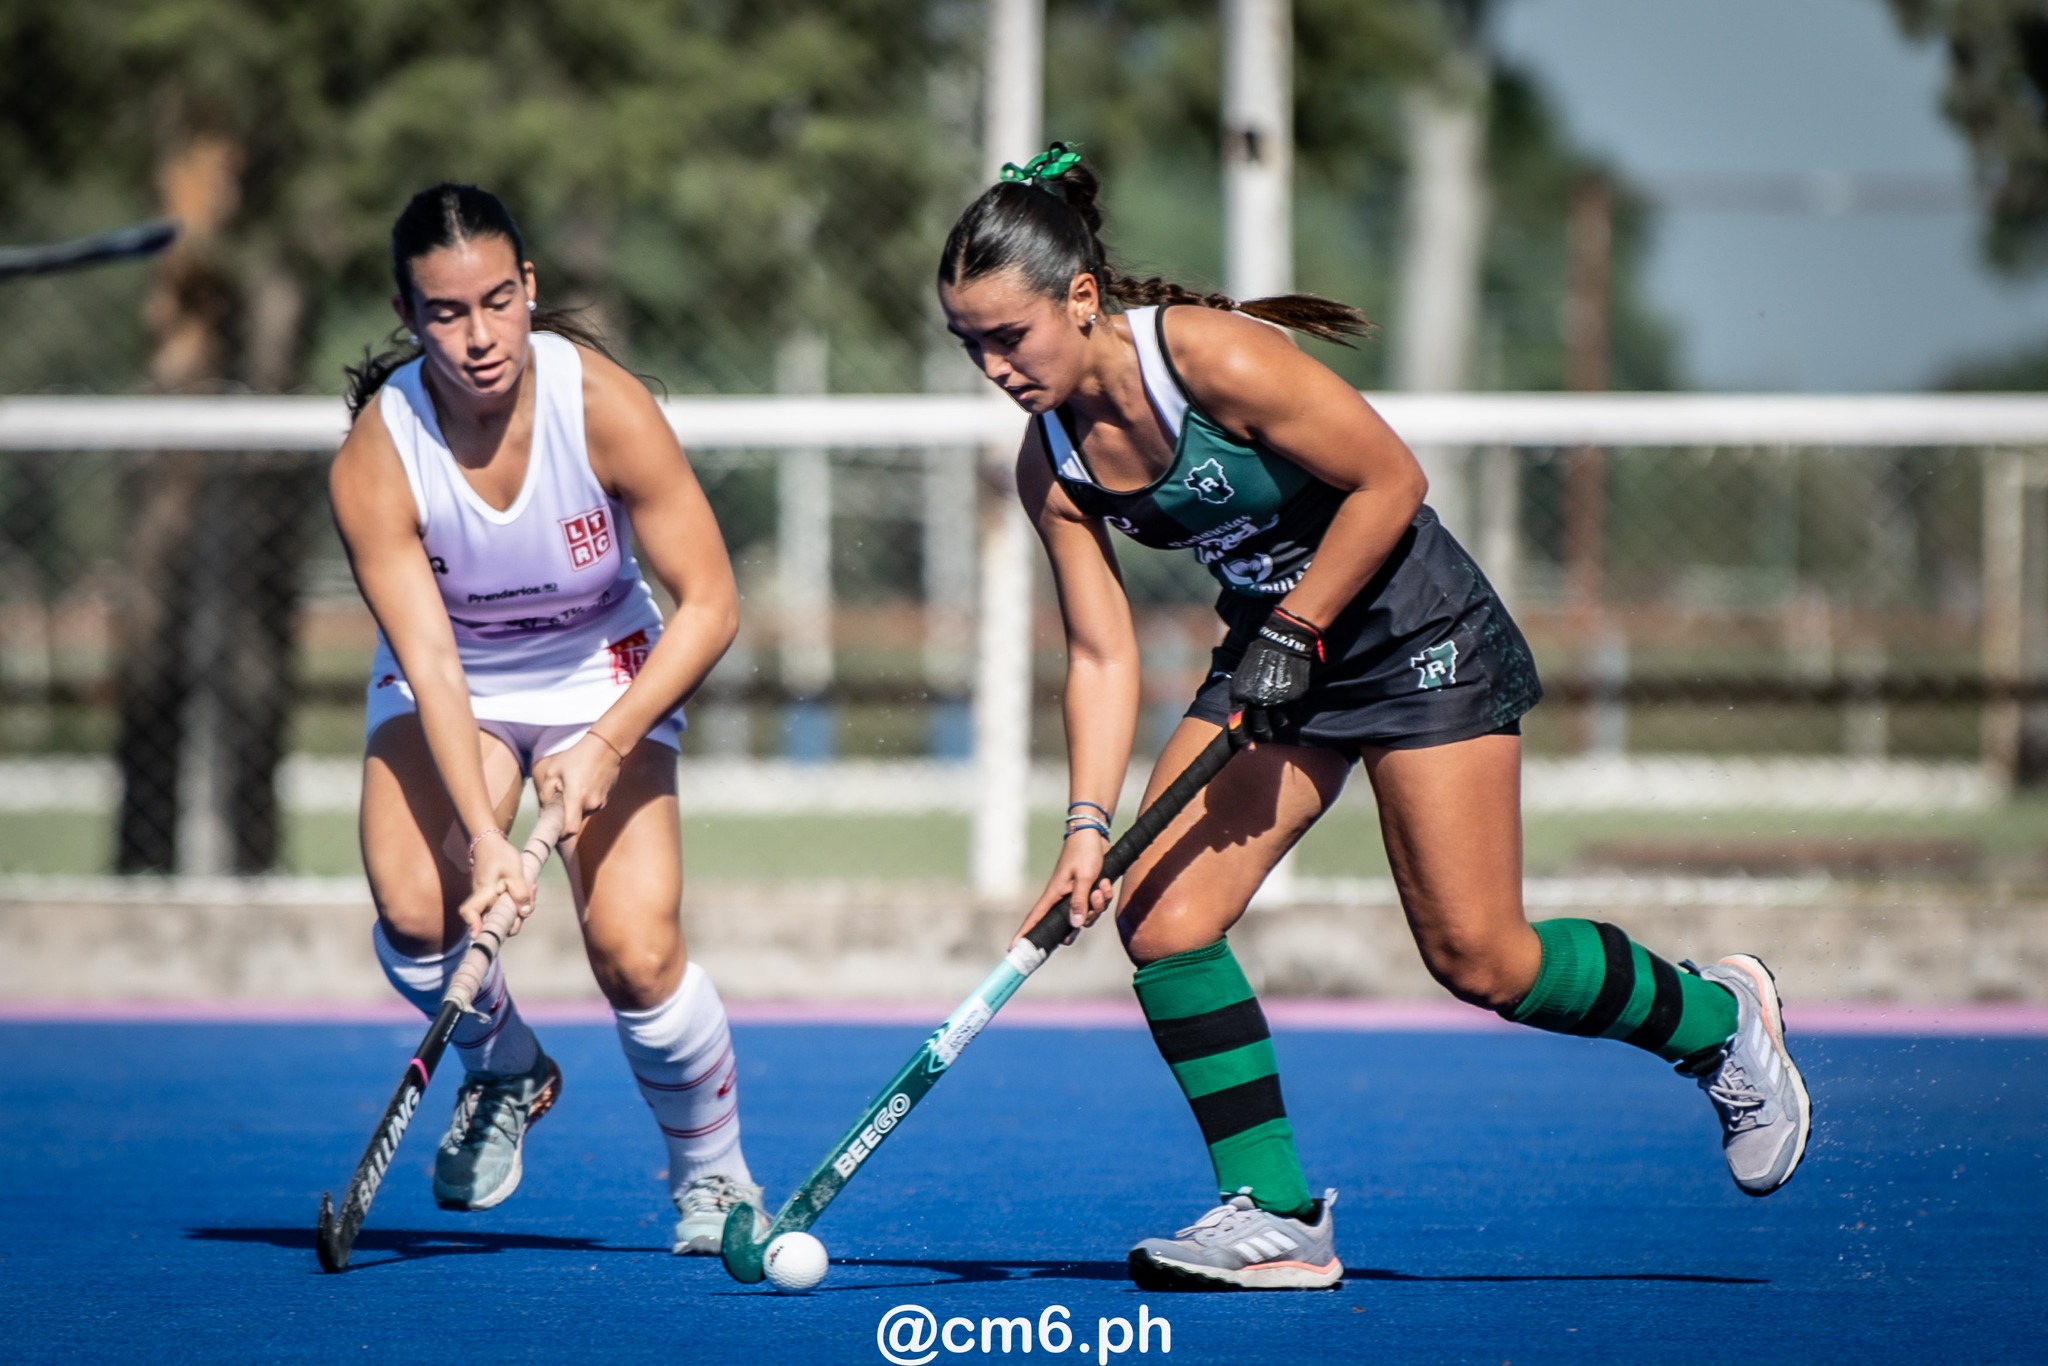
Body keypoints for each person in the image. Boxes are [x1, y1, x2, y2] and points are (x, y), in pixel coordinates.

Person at [936, 146, 1811, 1292]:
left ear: (1082, 298)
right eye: (970, 346)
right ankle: (1277, 1213)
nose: (995, 366)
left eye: (1009, 337)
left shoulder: (1209, 359)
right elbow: (1098, 651)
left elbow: (1392, 480)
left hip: (1415, 637)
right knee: (1159, 916)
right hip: (1277, 661)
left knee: (1480, 959)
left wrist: (1295, 627)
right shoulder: (1048, 458)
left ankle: (1712, 1018)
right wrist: (1085, 826)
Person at [330, 183, 759, 1253]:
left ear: (529, 288)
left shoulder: (601, 405)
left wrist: (608, 741)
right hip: (456, 676)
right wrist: (485, 837)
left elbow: (709, 604)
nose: (477, 338)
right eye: (443, 312)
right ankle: (505, 1065)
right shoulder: (377, 457)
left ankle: (711, 1178)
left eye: (494, 302)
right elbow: (428, 657)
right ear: (406, 311)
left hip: (601, 668)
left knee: (633, 950)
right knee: (418, 909)